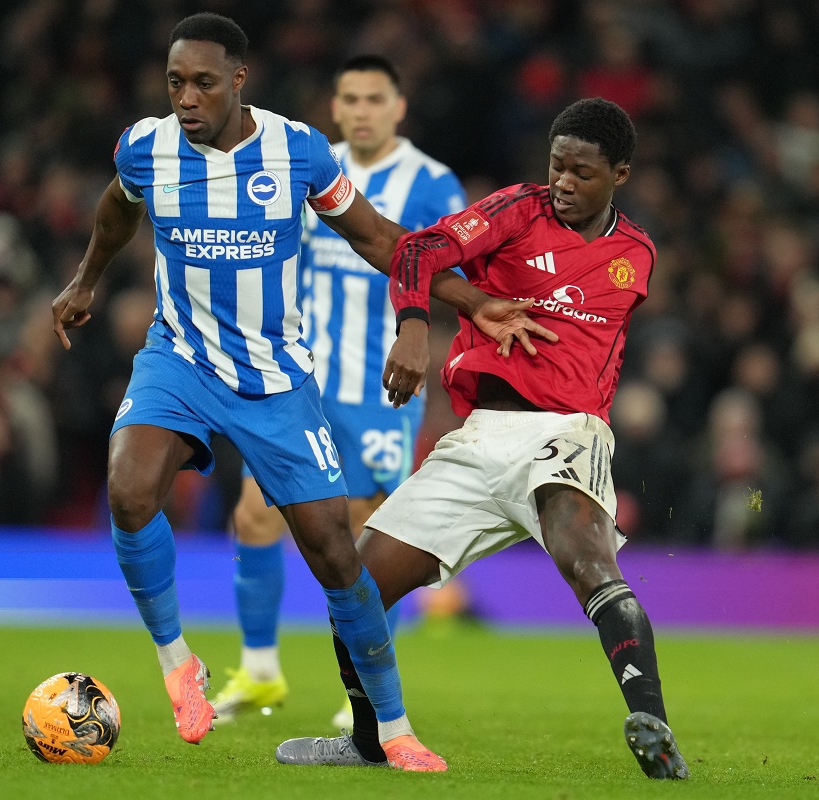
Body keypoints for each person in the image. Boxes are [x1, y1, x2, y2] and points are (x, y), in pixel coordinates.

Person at [51, 12, 549, 770]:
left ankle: (393, 725)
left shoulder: (296, 151)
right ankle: (178, 662)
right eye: (176, 83)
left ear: (238, 82)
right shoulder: (144, 146)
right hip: (177, 359)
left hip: (274, 379)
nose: (186, 98)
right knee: (128, 492)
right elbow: (118, 207)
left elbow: (380, 237)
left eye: (204, 83)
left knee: (336, 555)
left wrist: (465, 303)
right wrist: (85, 280)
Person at [275, 97, 690, 780]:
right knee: (354, 587)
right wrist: (416, 327)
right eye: (556, 165)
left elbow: (586, 343)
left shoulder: (635, 256)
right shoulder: (516, 211)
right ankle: (368, 738)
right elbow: (417, 250)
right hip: (478, 440)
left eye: (582, 172)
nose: (562, 182)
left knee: (584, 559)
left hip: (567, 432)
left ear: (621, 172)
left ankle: (652, 726)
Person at [210, 54, 468, 727]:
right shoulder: (303, 164)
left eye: (374, 98)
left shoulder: (433, 185)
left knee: (358, 546)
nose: (361, 111)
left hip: (377, 388)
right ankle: (260, 671)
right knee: (255, 515)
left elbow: (453, 273)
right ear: (334, 104)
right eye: (349, 97)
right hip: (296, 377)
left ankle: (362, 688)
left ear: (398, 106)